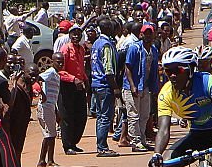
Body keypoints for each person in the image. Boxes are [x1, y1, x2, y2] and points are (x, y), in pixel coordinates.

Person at [123, 23, 160, 152]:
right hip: (132, 87)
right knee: (133, 115)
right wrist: (132, 85)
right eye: (146, 33)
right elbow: (127, 68)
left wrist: (155, 87)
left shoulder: (154, 50)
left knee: (145, 115)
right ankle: (135, 141)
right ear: (141, 34)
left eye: (150, 33)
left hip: (145, 87)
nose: (148, 36)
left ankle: (142, 140)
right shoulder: (134, 48)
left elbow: (154, 70)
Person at [57, 25, 88, 155]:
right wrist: (73, 79)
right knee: (67, 116)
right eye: (73, 34)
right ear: (69, 36)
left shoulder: (81, 49)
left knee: (81, 115)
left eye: (78, 34)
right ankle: (67, 145)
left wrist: (85, 80)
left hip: (79, 86)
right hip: (67, 86)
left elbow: (81, 68)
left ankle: (74, 142)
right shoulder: (65, 49)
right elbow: (60, 70)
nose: (76, 36)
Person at [91, 18, 119, 157]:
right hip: (104, 84)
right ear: (108, 28)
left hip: (96, 83)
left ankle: (100, 145)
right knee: (105, 117)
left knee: (100, 116)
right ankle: (102, 147)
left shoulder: (96, 43)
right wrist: (115, 87)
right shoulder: (106, 45)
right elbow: (108, 69)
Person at [36, 53, 62, 167]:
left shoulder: (56, 75)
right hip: (45, 106)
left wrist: (56, 111)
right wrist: (41, 94)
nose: (60, 64)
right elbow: (38, 78)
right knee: (49, 134)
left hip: (51, 106)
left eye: (62, 61)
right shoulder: (51, 72)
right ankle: (45, 160)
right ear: (52, 61)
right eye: (58, 61)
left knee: (51, 134)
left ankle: (47, 160)